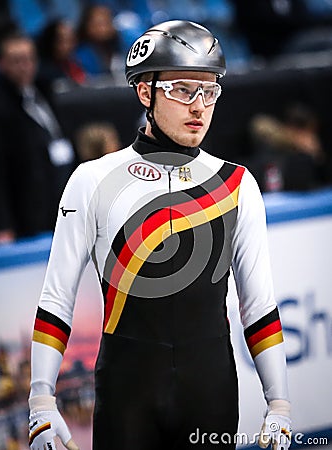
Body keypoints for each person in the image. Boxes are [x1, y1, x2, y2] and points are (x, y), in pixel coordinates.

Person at [28, 20, 291, 450]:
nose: (198, 106)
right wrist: (41, 396)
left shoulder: (237, 184)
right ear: (145, 92)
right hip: (127, 395)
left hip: (210, 391)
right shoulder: (92, 180)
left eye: (209, 91)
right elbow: (57, 297)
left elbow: (258, 304)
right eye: (183, 89)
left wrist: (279, 402)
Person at [0, 32, 76, 244]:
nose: (25, 66)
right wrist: (2, 225)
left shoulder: (43, 90)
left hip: (58, 195)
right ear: (2, 64)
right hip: (26, 209)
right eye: (17, 60)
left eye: (29, 59)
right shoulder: (0, 106)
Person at [37, 19, 86, 90]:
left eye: (71, 40)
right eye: (63, 40)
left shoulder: (73, 63)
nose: (70, 45)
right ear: (51, 42)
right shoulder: (43, 73)